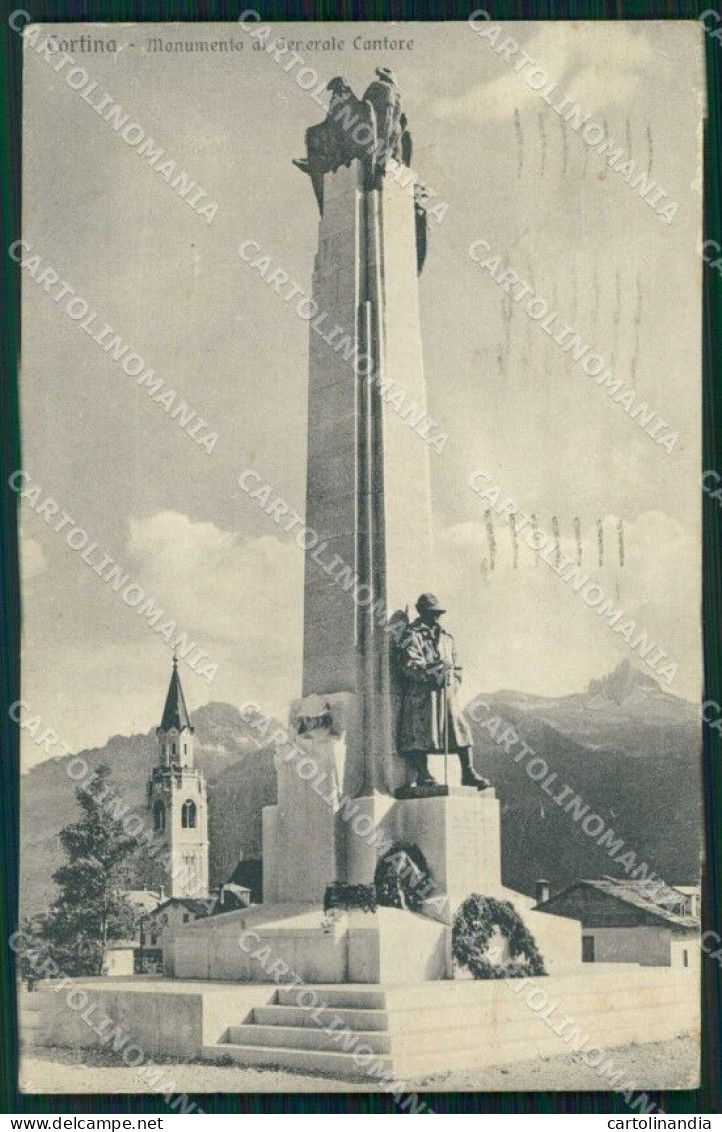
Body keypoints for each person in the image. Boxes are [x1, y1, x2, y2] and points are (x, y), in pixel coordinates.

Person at [397, 593, 490, 790]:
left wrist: (453, 682)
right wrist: (432, 673)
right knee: (418, 734)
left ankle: (468, 772)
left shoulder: (447, 638)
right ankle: (423, 774)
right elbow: (409, 663)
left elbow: (457, 668)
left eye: (438, 613)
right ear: (423, 613)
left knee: (460, 729)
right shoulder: (411, 634)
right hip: (422, 695)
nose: (436, 617)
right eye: (432, 613)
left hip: (446, 695)